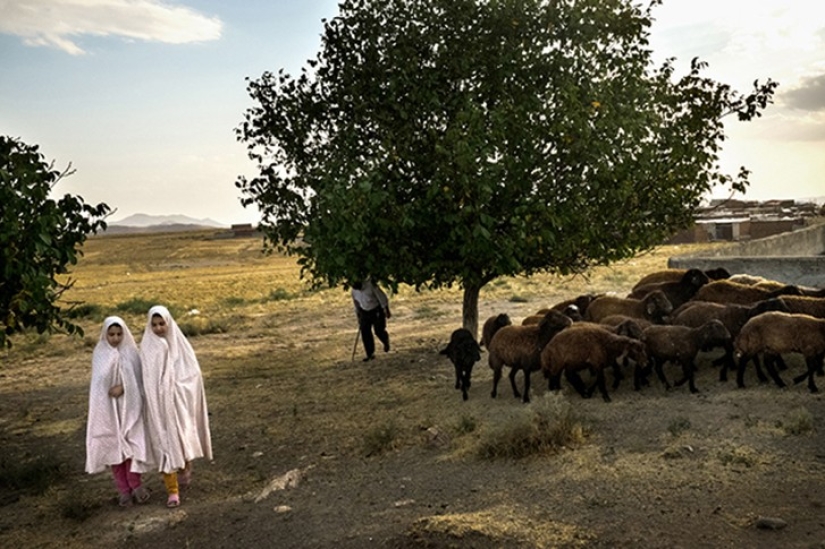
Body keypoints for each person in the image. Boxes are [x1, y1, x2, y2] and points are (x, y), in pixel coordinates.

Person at [139, 305, 212, 508]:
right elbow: (146, 377)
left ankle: (185, 467)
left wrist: (176, 387)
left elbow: (192, 374)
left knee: (181, 440)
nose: (158, 328)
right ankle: (172, 491)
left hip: (178, 405)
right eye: (154, 325)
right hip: (158, 407)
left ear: (168, 322)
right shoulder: (147, 347)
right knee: (164, 445)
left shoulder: (179, 344)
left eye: (162, 323)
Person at [85, 316, 152, 507]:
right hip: (108, 409)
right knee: (114, 450)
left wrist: (124, 387)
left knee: (131, 447)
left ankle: (136, 485)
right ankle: (123, 490)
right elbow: (98, 384)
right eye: (111, 334)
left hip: (128, 407)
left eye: (119, 334)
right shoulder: (100, 353)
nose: (115, 338)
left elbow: (138, 380)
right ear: (105, 335)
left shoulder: (131, 352)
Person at [351, 277, 392, 361]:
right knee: (365, 332)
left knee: (379, 330)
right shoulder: (354, 291)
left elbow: (382, 298)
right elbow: (356, 303)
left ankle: (385, 341)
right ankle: (370, 353)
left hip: (376, 310)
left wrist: (386, 310)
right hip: (364, 311)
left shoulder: (371, 285)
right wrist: (358, 315)